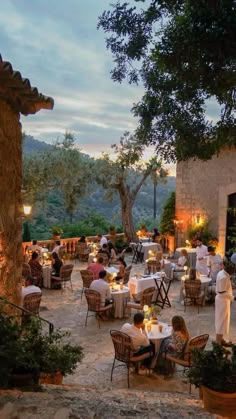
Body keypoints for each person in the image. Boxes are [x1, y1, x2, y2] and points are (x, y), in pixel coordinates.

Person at [215, 259, 236, 346]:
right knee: (220, 322)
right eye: (233, 271)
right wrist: (233, 297)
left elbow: (224, 288)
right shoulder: (223, 277)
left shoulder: (223, 273)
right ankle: (218, 344)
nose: (234, 272)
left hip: (224, 301)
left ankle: (221, 339)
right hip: (222, 302)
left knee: (223, 322)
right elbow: (221, 292)